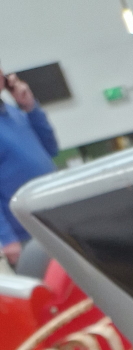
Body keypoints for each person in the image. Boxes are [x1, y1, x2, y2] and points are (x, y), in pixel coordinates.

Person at [0, 66, 57, 269]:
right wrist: (6, 238)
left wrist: (30, 107)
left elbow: (51, 148)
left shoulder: (14, 112)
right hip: (25, 233)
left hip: (55, 217)